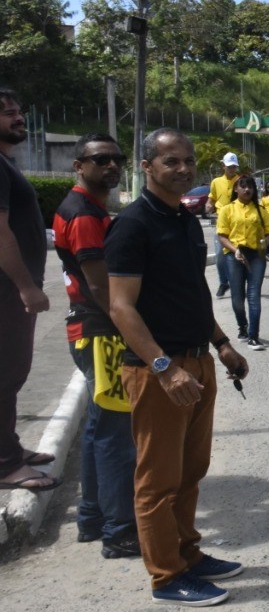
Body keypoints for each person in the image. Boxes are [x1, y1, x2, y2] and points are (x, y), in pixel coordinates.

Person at [104, 127, 250, 606]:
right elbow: (122, 308)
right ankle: (166, 577)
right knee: (158, 480)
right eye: (171, 162)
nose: (184, 169)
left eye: (188, 161)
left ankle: (189, 554)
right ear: (147, 168)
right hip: (158, 372)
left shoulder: (185, 220)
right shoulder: (133, 224)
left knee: (191, 471)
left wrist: (222, 343)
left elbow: (191, 294)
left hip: (198, 361)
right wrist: (165, 368)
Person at [54, 134, 138, 554]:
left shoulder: (89, 208)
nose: (111, 166)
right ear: (79, 165)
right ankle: (120, 531)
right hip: (100, 332)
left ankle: (91, 518)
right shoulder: (84, 215)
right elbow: (101, 287)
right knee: (115, 433)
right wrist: (132, 330)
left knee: (98, 428)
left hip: (89, 329)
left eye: (116, 159)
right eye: (100, 159)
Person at [0, 88, 58, 493]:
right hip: (6, 290)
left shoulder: (6, 163)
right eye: (5, 113)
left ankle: (12, 450)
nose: (16, 117)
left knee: (13, 373)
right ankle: (5, 465)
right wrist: (25, 286)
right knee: (6, 374)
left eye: (18, 110)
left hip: (13, 290)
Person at [217, 176, 269, 350]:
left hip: (256, 255)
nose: (247, 190)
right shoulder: (227, 210)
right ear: (236, 190)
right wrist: (235, 250)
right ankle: (243, 326)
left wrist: (266, 242)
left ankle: (254, 336)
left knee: (254, 295)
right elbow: (222, 236)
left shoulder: (261, 210)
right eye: (243, 187)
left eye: (250, 187)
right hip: (234, 255)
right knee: (237, 297)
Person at [206, 152, 240, 297]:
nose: (231, 169)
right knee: (220, 254)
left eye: (233, 166)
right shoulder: (216, 182)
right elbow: (211, 199)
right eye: (229, 166)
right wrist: (208, 205)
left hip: (237, 220)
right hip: (221, 221)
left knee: (237, 252)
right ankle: (223, 282)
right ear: (223, 166)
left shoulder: (241, 181)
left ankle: (237, 283)